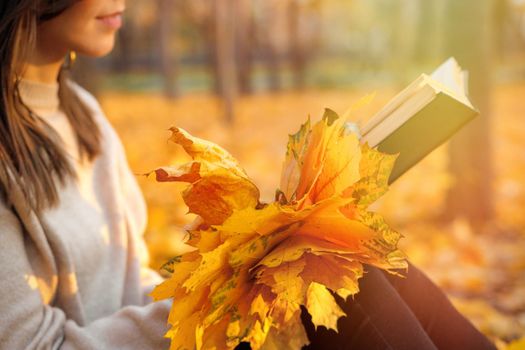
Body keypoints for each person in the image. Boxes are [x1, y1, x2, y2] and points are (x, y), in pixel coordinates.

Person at [0, 1, 496, 349]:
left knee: (339, 252)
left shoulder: (81, 113)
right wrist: (231, 294)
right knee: (318, 275)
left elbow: (127, 288)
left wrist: (232, 266)